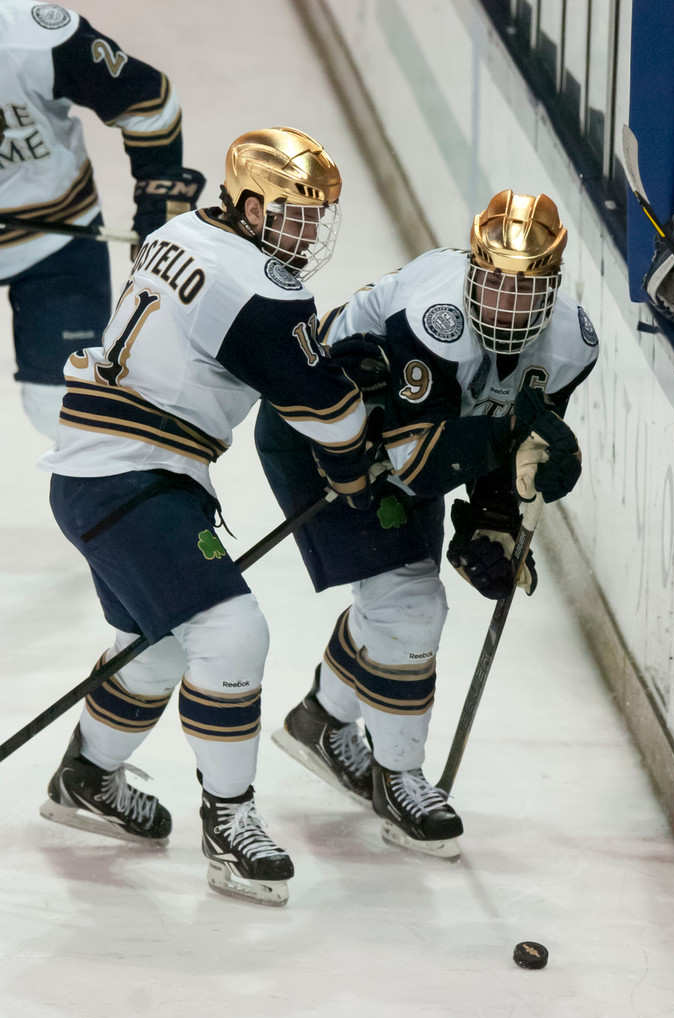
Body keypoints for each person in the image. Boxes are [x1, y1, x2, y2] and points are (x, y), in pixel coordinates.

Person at [38, 126, 370, 907]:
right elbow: (329, 418)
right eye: (295, 212)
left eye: (318, 214)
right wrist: (355, 465)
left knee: (154, 650)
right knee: (230, 630)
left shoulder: (184, 229)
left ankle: (86, 777)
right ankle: (229, 823)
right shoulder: (261, 285)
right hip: (128, 476)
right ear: (249, 205)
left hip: (105, 467)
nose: (310, 230)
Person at [255, 189, 599, 859]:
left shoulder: (572, 342)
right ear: (473, 266)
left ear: (553, 288)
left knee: (398, 610)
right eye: (494, 281)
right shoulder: (433, 320)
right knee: (409, 608)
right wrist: (509, 444)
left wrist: (494, 516)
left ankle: (319, 724)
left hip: (396, 443)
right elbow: (411, 462)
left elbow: (514, 422)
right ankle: (398, 777)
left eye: (525, 290)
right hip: (323, 435)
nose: (505, 302)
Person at [0, 2, 204, 437]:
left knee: (65, 407)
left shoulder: (41, 37)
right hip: (55, 226)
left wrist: (159, 206)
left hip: (53, 239)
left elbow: (149, 101)